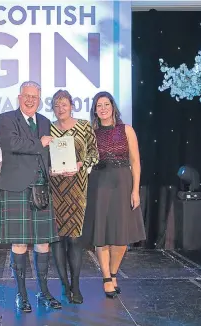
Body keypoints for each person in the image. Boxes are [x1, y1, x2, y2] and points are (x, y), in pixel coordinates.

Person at [0, 81, 62, 312]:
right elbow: (10, 143)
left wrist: (61, 166)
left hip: (41, 187)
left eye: (35, 96)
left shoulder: (44, 121)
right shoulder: (6, 118)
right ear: (19, 97)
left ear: (39, 99)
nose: (31, 99)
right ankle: (21, 295)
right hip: (16, 188)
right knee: (20, 243)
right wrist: (38, 142)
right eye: (27, 95)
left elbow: (48, 153)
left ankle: (43, 292)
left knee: (43, 244)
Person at [82, 91, 146, 299]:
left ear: (112, 107)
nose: (102, 108)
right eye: (98, 105)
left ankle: (113, 272)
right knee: (102, 235)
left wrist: (135, 190)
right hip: (99, 184)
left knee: (120, 238)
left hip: (122, 183)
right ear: (95, 109)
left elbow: (135, 162)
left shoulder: (127, 130)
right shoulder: (91, 131)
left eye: (106, 104)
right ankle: (107, 279)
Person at [49, 90, 99, 304]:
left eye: (64, 105)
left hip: (77, 188)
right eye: (57, 105)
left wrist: (81, 164)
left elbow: (94, 154)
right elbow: (41, 157)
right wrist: (50, 168)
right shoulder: (48, 128)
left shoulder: (84, 127)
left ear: (71, 106)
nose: (61, 109)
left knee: (75, 239)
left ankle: (76, 286)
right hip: (55, 189)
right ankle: (64, 286)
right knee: (57, 238)